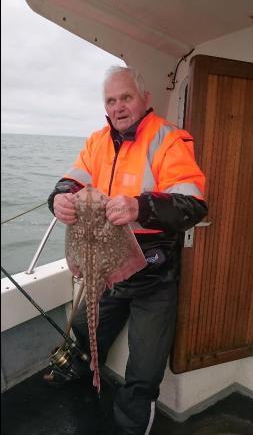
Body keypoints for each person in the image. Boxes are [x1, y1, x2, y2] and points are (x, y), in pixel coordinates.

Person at [47, 65, 208, 435]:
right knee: (87, 334)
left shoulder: (167, 139)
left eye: (126, 97)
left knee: (144, 369)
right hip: (107, 267)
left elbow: (194, 205)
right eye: (110, 100)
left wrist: (141, 207)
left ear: (144, 99)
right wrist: (59, 198)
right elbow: (72, 180)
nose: (118, 107)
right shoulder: (97, 141)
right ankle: (81, 371)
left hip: (154, 272)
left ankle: (129, 425)